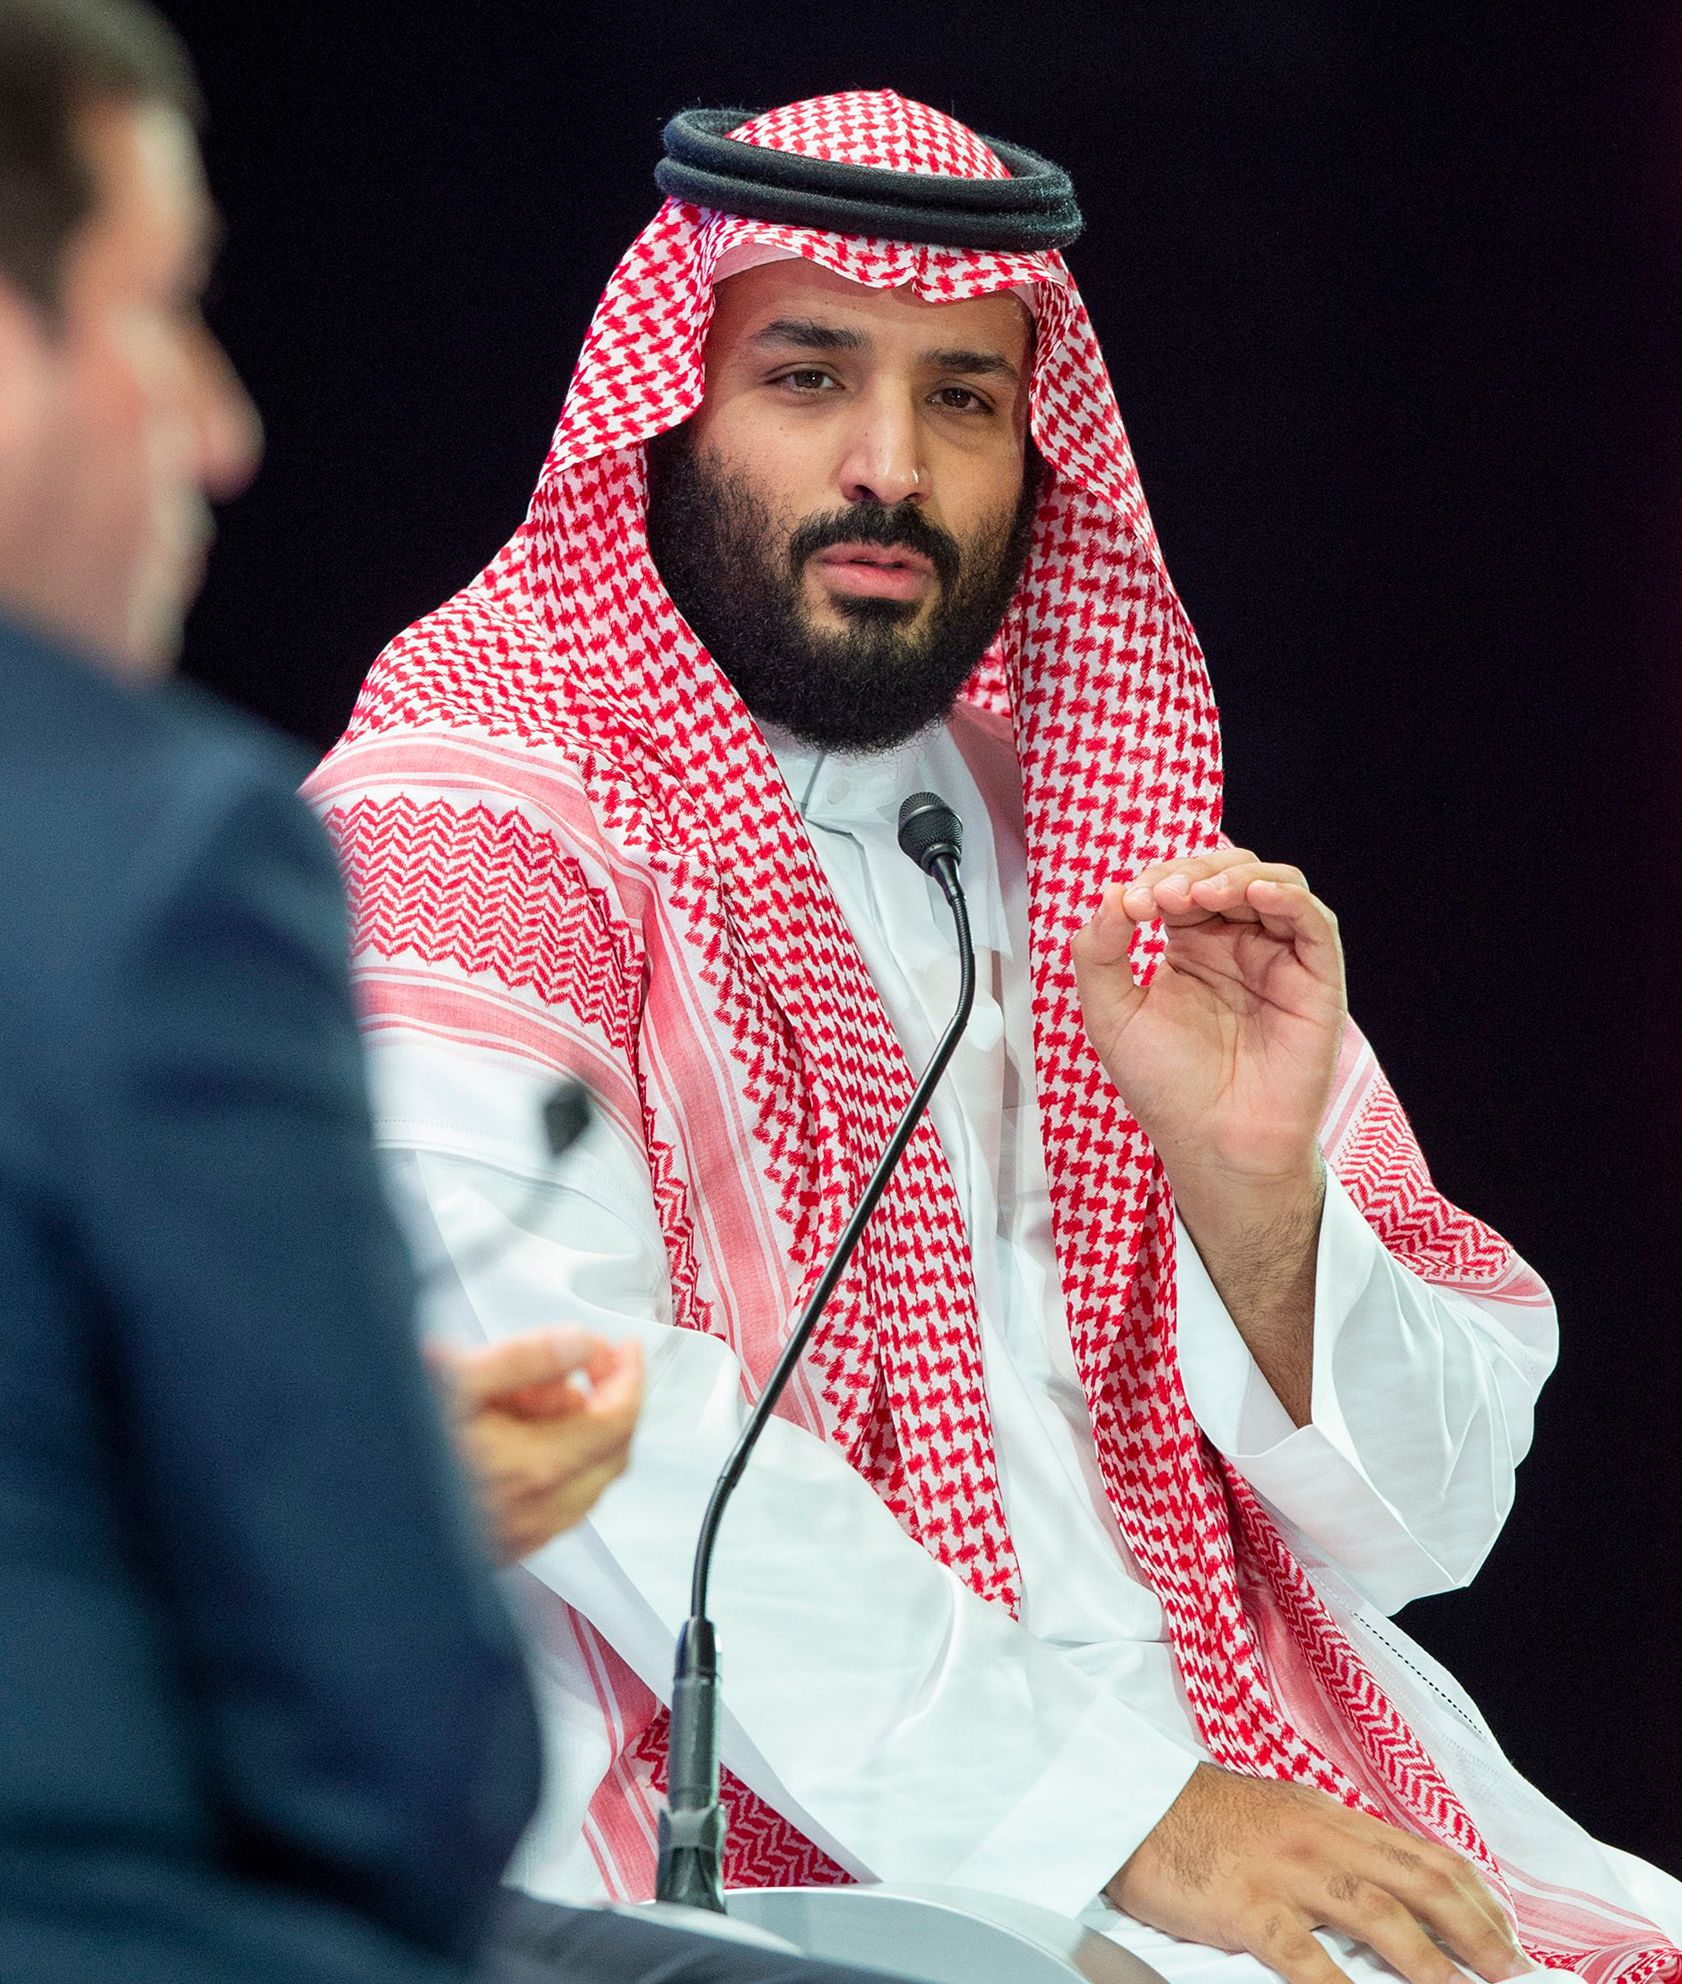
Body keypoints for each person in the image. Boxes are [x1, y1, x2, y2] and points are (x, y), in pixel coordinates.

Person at [304, 91, 1682, 1984]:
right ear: (669, 404)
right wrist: (1125, 1825)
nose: (893, 467)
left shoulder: (1095, 842)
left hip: (1258, 1784)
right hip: (724, 1829)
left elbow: (1440, 1519)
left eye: (964, 396)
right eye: (808, 375)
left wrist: (1255, 1197)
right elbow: (582, 1427)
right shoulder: (463, 812)